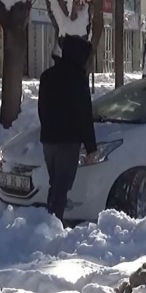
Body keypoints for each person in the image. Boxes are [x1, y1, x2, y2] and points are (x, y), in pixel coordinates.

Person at [38, 35, 96, 221]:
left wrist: (48, 128)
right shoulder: (78, 79)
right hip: (68, 141)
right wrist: (90, 147)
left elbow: (41, 109)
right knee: (61, 187)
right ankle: (53, 224)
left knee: (55, 183)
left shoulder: (47, 76)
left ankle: (49, 220)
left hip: (48, 140)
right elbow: (84, 114)